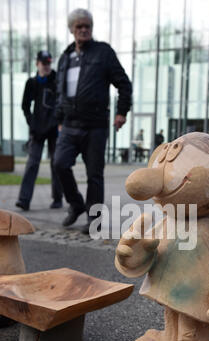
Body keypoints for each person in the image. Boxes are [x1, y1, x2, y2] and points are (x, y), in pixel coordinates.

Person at [54, 8, 132, 234]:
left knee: (94, 175)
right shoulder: (65, 57)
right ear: (71, 30)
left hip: (96, 125)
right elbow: (61, 91)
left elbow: (123, 83)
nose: (84, 30)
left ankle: (94, 220)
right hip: (69, 125)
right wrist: (59, 119)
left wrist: (121, 112)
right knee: (59, 164)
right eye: (79, 26)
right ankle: (76, 204)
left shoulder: (103, 52)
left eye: (87, 26)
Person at [15, 51, 63, 211]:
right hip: (37, 130)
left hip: (54, 130)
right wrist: (31, 122)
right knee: (31, 164)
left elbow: (62, 103)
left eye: (49, 63)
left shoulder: (57, 80)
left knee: (56, 164)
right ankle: (24, 200)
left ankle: (57, 198)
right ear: (37, 64)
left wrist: (60, 123)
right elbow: (25, 105)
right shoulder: (32, 83)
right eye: (44, 63)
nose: (47, 66)